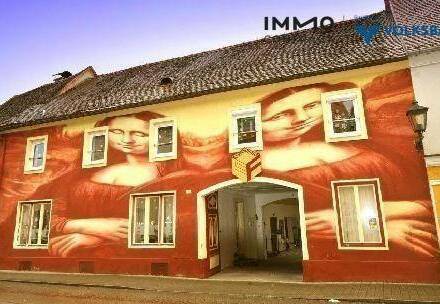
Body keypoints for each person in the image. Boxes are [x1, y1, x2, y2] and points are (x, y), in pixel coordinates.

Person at [258, 79, 439, 258]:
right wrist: (376, 228)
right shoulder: (262, 167)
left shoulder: (372, 143)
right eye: (280, 115)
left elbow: (421, 199)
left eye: (312, 105)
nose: (302, 119)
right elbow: (315, 222)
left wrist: (379, 215)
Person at [41, 111, 168, 257]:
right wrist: (95, 227)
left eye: (140, 134)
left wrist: (98, 239)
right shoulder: (79, 173)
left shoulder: (165, 174)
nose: (126, 139)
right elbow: (45, 217)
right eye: (117, 131)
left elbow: (160, 225)